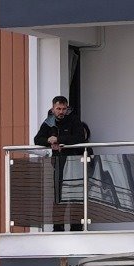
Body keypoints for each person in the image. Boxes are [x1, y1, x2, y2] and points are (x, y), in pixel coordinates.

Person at [35, 94, 91, 231]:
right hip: (59, 163)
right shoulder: (49, 121)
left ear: (67, 108)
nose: (61, 112)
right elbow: (37, 140)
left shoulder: (73, 120)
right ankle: (58, 227)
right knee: (59, 197)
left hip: (75, 163)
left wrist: (58, 139)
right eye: (58, 109)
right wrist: (49, 141)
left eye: (63, 109)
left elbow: (79, 138)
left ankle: (77, 227)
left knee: (76, 196)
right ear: (53, 108)